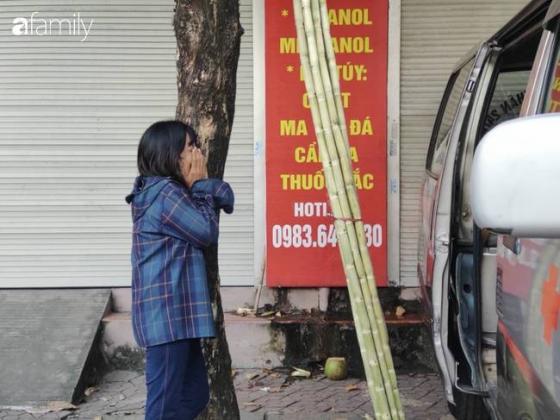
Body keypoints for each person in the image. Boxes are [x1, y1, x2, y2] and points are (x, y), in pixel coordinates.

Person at [125, 120, 234, 420]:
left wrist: (205, 190)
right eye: (190, 147)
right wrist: (201, 186)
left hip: (176, 317)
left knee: (195, 395)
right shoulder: (164, 194)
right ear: (170, 154)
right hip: (167, 318)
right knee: (163, 407)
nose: (198, 153)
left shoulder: (163, 191)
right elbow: (204, 231)